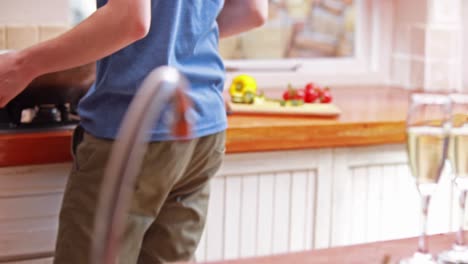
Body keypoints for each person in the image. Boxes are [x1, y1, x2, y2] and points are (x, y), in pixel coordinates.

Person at [0, 0, 268, 263]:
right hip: (203, 128)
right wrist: (181, 40)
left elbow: (130, 20)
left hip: (134, 126)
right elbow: (253, 11)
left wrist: (22, 64)